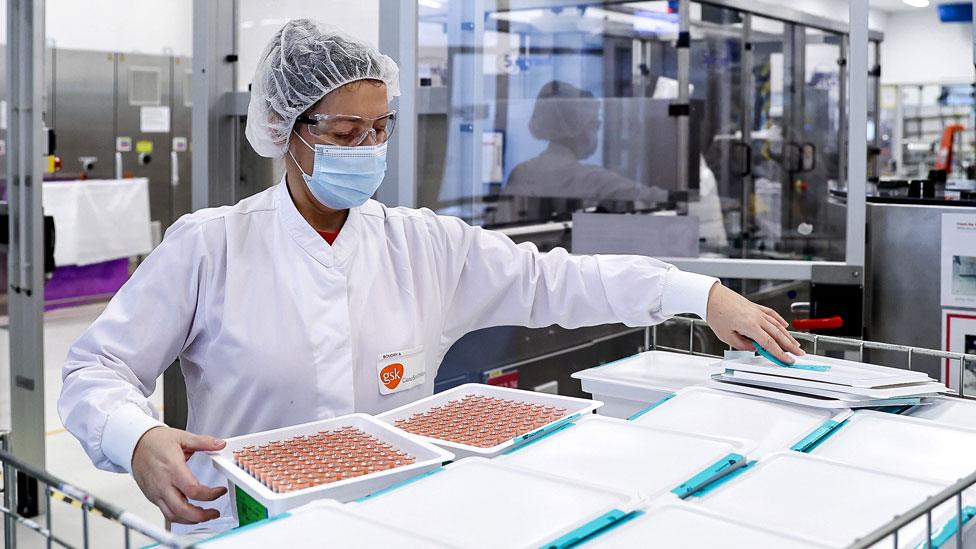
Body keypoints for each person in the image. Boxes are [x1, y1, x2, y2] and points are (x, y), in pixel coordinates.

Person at [58, 19, 803, 534]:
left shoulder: (421, 245)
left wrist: (692, 292)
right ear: (287, 133)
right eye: (347, 133)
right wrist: (138, 436)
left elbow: (556, 282)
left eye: (380, 128)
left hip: (398, 518)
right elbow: (96, 367)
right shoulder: (211, 247)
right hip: (249, 527)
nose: (369, 146)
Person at [498, 80, 668, 224]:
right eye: (594, 125)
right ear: (578, 129)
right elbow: (657, 198)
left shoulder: (520, 172)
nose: (596, 133)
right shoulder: (592, 180)